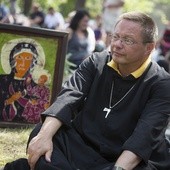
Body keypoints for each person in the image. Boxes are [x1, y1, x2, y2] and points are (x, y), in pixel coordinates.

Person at [4, 11, 170, 170]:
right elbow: (68, 97)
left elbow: (144, 136)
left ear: (149, 48)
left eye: (128, 40)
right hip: (81, 145)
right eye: (116, 36)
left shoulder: (162, 83)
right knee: (43, 132)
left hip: (125, 156)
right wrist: (43, 137)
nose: (117, 44)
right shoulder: (95, 62)